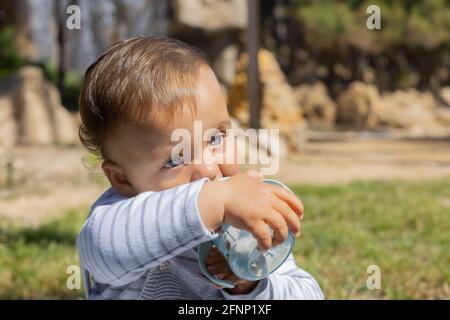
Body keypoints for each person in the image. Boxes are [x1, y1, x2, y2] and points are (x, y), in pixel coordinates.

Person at [76, 36, 323, 300]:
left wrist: (249, 284)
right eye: (175, 159)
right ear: (122, 179)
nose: (207, 168)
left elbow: (308, 294)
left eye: (215, 139)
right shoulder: (118, 218)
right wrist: (212, 203)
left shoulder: (245, 222)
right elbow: (100, 251)